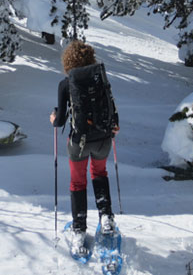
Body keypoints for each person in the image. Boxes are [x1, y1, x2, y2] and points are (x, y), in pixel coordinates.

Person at [49, 40, 119, 256]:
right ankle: (106, 217)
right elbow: (111, 104)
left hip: (79, 143)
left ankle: (79, 230)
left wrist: (53, 118)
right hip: (104, 139)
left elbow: (60, 120)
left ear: (68, 61)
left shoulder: (66, 83)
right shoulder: (101, 78)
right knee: (100, 173)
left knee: (78, 183)